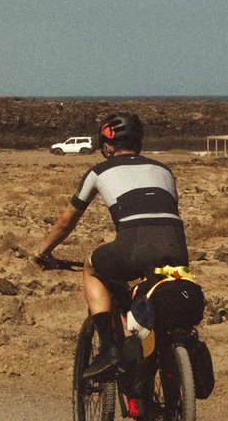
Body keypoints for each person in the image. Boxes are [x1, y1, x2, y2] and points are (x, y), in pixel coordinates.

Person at [32, 110, 189, 373]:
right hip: (176, 248)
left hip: (133, 246)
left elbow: (66, 222)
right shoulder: (164, 171)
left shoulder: (98, 172)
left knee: (92, 267)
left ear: (107, 144)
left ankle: (109, 349)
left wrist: (42, 250)